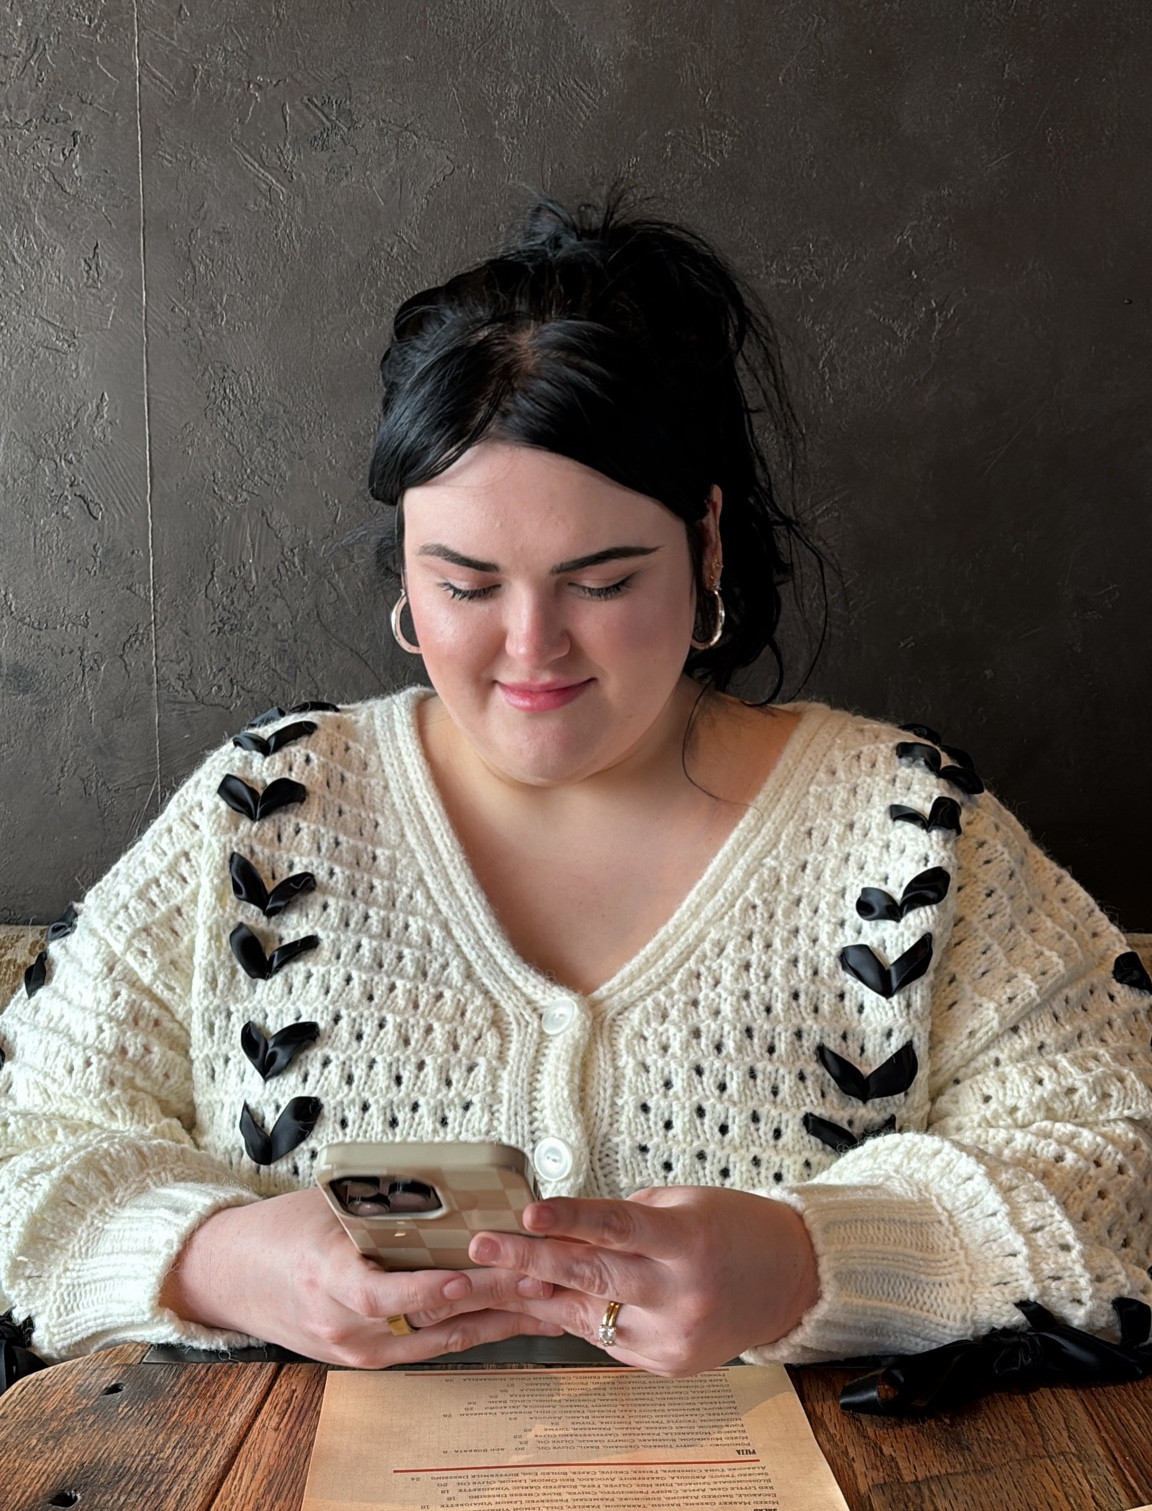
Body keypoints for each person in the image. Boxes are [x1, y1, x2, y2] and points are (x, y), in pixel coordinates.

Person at [1, 191, 1151, 1376]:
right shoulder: (267, 813)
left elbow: (1113, 1161)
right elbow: (24, 1147)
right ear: (404, 561)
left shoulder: (910, 832)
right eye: (464, 582)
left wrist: (816, 1260)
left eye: (601, 581)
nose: (531, 647)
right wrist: (226, 1262)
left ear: (706, 543)